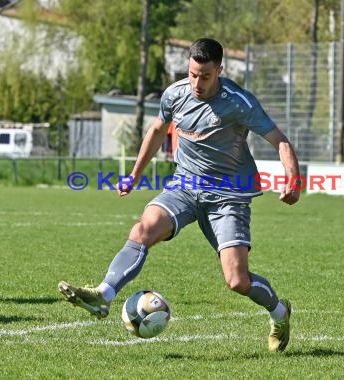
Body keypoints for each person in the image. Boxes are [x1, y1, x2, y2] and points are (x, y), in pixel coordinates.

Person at [58, 38, 301, 353]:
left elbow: (280, 140)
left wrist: (292, 179)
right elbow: (157, 131)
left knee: (237, 281)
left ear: (220, 71)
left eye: (205, 76)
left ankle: (280, 313)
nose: (197, 83)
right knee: (142, 229)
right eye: (192, 74)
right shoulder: (175, 94)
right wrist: (134, 176)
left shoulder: (239, 102)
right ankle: (103, 295)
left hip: (227, 196)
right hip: (184, 186)